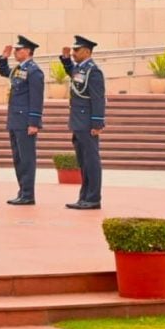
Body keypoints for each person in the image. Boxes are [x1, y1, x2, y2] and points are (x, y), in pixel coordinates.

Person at [59, 35, 106, 209]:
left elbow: (98, 98)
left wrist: (97, 123)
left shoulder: (93, 71)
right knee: (83, 162)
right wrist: (65, 60)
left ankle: (93, 198)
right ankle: (84, 196)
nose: (73, 53)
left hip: (87, 123)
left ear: (87, 51)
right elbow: (73, 74)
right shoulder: (81, 69)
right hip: (78, 122)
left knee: (91, 161)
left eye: (76, 50)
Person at [0, 35, 43, 205]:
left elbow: (36, 98)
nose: (16, 52)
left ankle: (28, 194)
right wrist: (3, 58)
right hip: (15, 120)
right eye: (15, 50)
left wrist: (34, 123)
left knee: (27, 159)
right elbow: (4, 72)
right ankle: (22, 191)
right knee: (18, 158)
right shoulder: (19, 69)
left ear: (28, 51)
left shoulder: (34, 71)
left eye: (18, 50)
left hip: (25, 122)